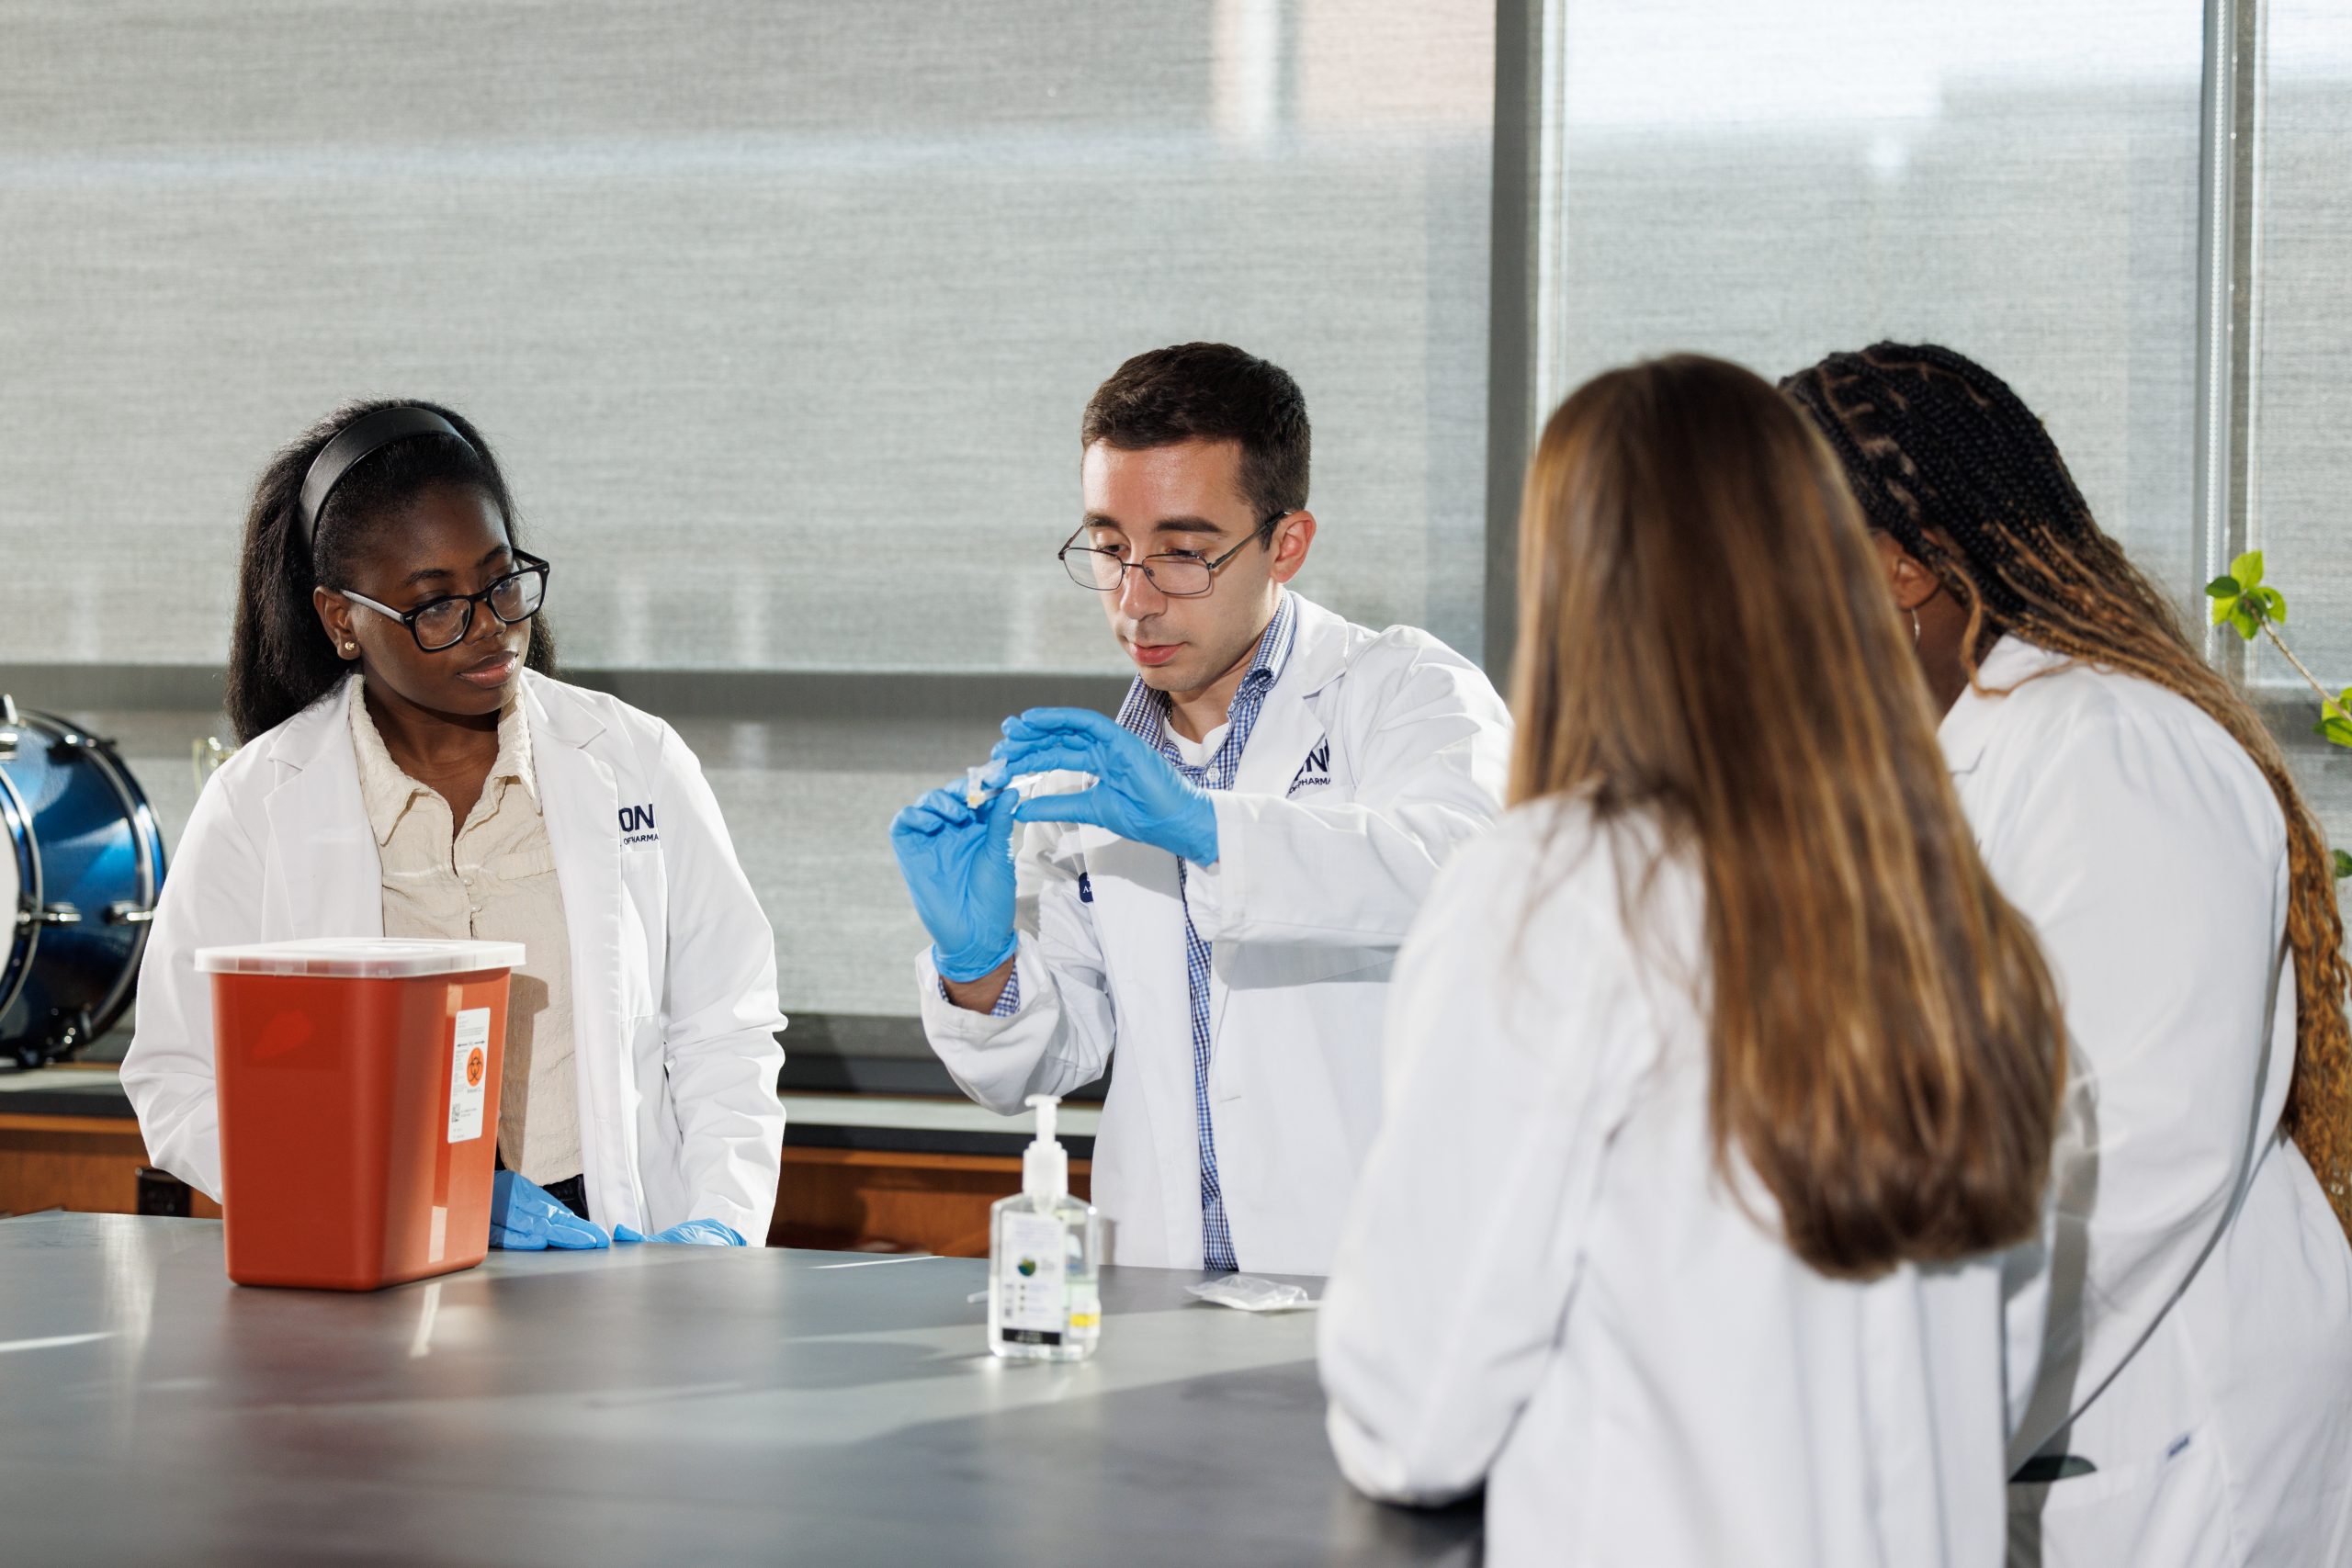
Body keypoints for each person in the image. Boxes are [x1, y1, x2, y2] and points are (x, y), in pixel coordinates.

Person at [1317, 355, 2067, 1565]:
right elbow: (2003, 1346)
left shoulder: (1563, 889)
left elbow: (1418, 1404)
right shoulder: (1950, 905)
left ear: (1576, 584)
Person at [1786, 342, 2352, 1566]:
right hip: (2030, 1423)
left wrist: (1891, 1426)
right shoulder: (1936, 760)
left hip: (2157, 1439)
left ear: (1894, 571)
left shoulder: (2110, 744)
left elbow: (2136, 1160)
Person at [888, 343, 1511, 1273]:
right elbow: (1045, 1060)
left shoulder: (1403, 690)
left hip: (1379, 1283)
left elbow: (1478, 877)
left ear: (1286, 544)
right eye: (1107, 546)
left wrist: (1203, 827)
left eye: (1181, 553)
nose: (1135, 599)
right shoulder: (1085, 774)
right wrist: (978, 965)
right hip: (1159, 1286)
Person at [121, 400, 786, 1249]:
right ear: (342, 619)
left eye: (503, 581)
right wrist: (397, 1183)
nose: (494, 629)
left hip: (619, 1247)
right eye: (436, 608)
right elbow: (178, 1077)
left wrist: (719, 1229)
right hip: (377, 1237)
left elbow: (725, 1028)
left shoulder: (634, 757)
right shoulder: (259, 802)